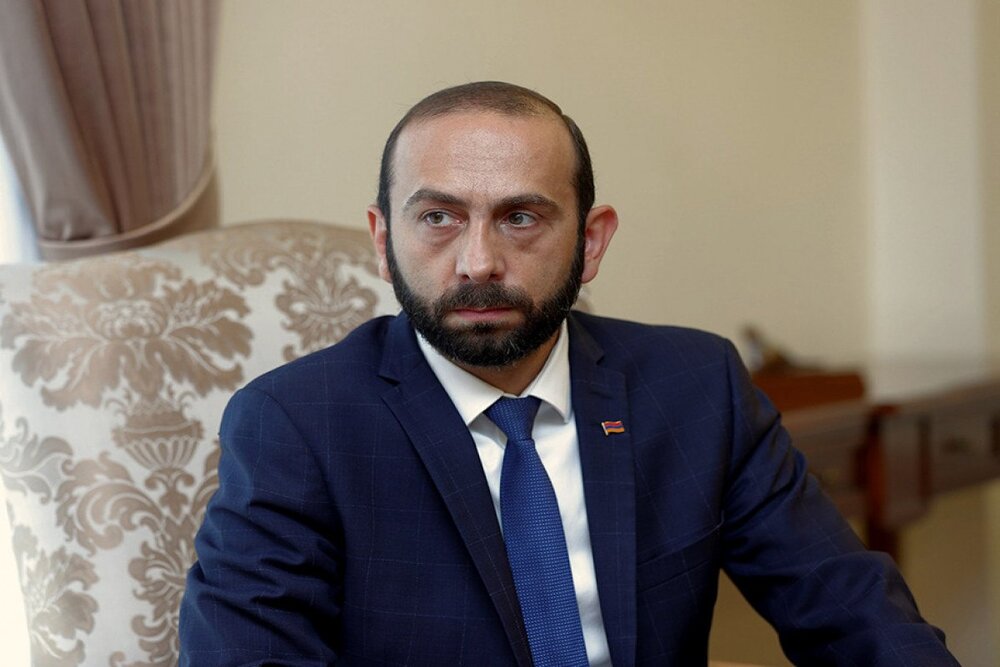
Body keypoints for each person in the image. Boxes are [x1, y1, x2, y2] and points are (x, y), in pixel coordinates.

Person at [179, 81, 958, 666]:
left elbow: (850, 609)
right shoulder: (297, 424)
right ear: (383, 241)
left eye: (520, 217)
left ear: (590, 241)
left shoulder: (695, 386)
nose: (478, 261)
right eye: (438, 217)